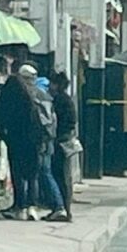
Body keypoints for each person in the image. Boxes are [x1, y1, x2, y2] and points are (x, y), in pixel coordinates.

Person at [0, 71, 43, 221]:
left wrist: (5, 137)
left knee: (17, 174)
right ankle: (32, 207)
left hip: (15, 141)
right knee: (32, 175)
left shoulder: (7, 101)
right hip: (33, 142)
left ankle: (20, 206)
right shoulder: (29, 101)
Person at [34, 76, 68, 222]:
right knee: (47, 173)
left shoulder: (43, 100)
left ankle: (58, 206)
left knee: (46, 173)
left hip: (46, 141)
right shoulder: (50, 99)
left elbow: (44, 122)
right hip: (51, 140)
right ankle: (57, 206)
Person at [49, 71, 78, 221]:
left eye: (52, 83)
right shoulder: (66, 100)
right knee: (64, 176)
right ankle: (64, 209)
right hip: (65, 140)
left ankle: (63, 209)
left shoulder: (60, 100)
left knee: (60, 175)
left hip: (60, 141)